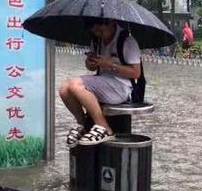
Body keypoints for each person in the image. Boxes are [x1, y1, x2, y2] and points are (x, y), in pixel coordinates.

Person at [59, 18, 141, 147]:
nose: (99, 34)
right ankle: (84, 125)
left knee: (76, 85)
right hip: (103, 82)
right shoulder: (96, 41)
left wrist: (110, 65)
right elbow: (92, 68)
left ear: (112, 23)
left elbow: (136, 73)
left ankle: (104, 128)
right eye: (95, 31)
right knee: (64, 89)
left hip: (121, 87)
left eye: (101, 30)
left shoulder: (127, 41)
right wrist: (90, 62)